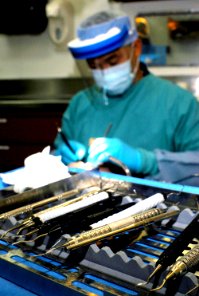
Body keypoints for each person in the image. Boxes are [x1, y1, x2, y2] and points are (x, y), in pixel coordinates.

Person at [54, 11, 199, 186]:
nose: (104, 70)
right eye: (94, 65)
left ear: (136, 48)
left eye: (112, 60)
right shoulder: (80, 103)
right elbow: (57, 155)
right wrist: (60, 157)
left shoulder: (179, 103)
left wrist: (145, 160)